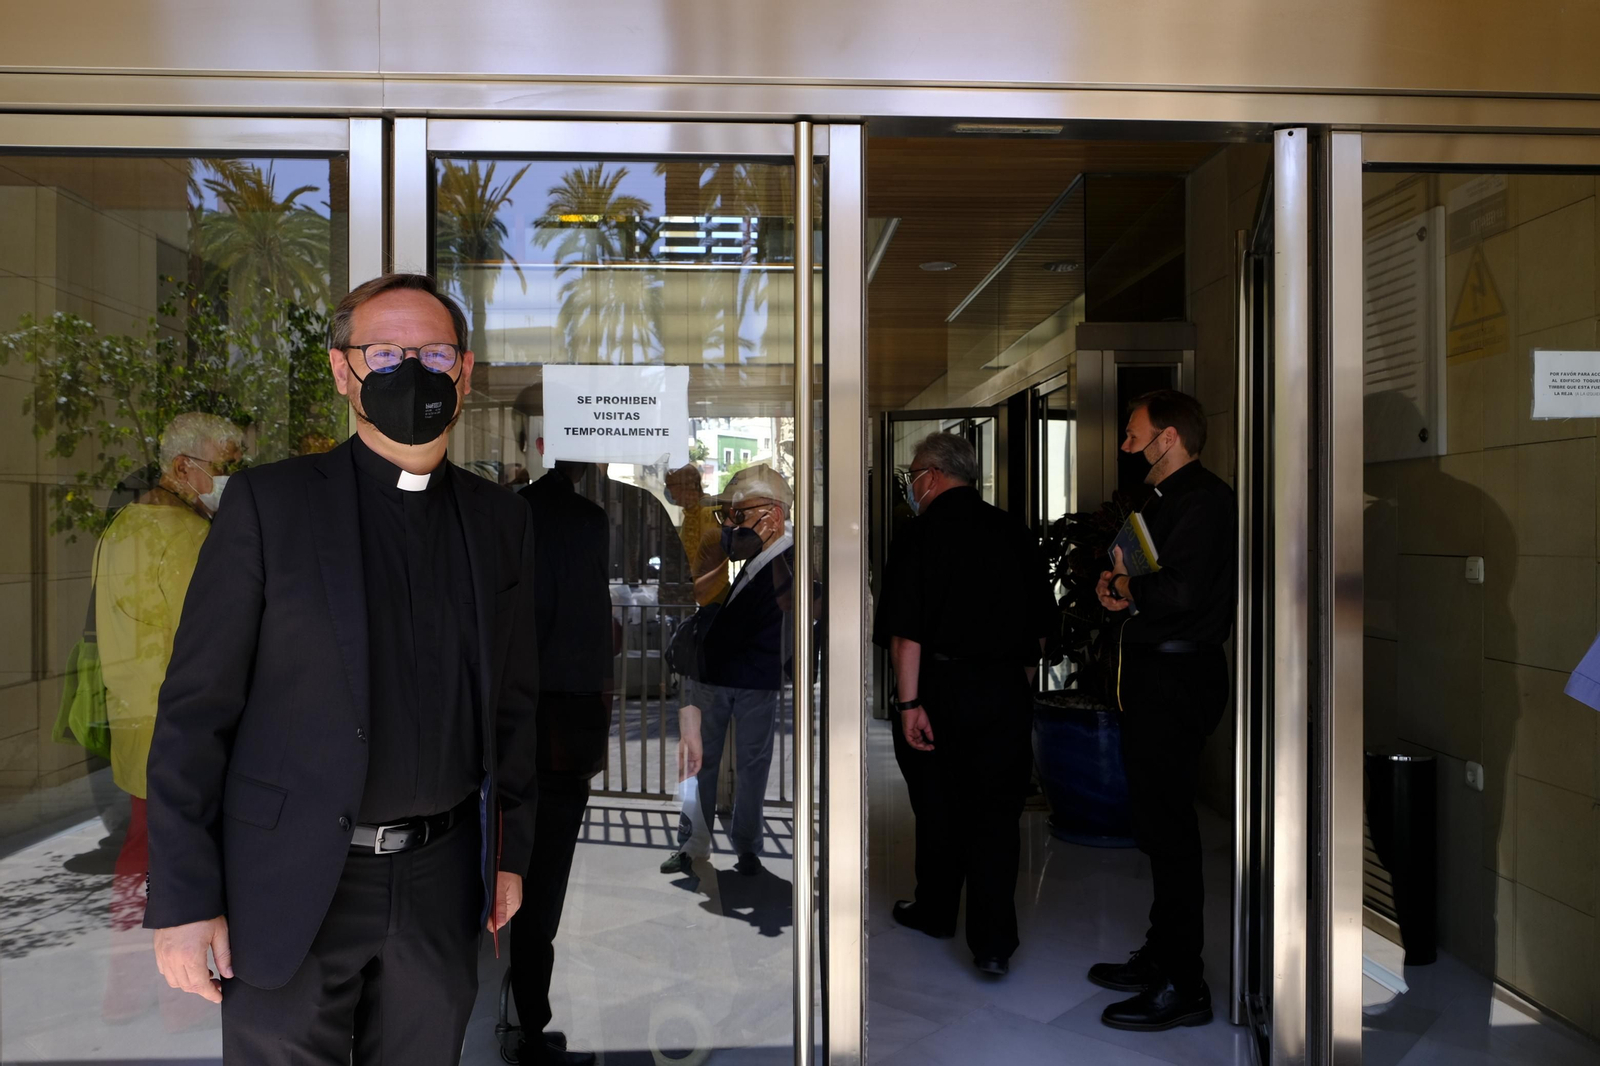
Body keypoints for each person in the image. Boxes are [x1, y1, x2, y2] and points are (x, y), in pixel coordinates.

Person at [143, 273, 540, 1065]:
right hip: (289, 883)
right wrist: (185, 901)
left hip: (442, 878)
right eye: (385, 353)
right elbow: (195, 712)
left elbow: (514, 702)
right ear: (342, 370)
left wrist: (509, 854)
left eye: (432, 353)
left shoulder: (499, 518)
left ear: (462, 371)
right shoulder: (268, 507)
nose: (412, 373)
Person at [872, 432, 1055, 978]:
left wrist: (908, 705)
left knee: (938, 808)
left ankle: (935, 911)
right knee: (997, 817)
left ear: (930, 475)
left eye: (912, 475)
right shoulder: (1014, 532)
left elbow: (906, 634)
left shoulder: (920, 534)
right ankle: (994, 944)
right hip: (1004, 693)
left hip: (940, 693)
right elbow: (1042, 634)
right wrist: (1012, 688)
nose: (911, 485)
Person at [1090, 389, 1236, 1032]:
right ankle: (1162, 956)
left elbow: (1180, 588)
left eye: (1134, 435)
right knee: (1156, 826)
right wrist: (1115, 587)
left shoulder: (1204, 500)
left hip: (1179, 679)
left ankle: (1185, 983)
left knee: (1171, 833)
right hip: (1154, 677)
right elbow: (1149, 584)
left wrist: (1125, 586)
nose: (1128, 447)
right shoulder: (1163, 500)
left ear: (1169, 437)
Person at [96, 411, 244, 1022]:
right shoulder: (188, 539)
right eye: (228, 465)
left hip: (135, 723)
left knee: (138, 859)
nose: (236, 477)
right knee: (185, 863)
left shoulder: (124, 524)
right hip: (185, 735)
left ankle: (124, 993)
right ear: (184, 469)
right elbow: (221, 644)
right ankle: (181, 999)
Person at [506, 443, 613, 1066]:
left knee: (514, 866)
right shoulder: (588, 522)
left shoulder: (515, 512)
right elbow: (590, 627)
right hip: (562, 718)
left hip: (511, 715)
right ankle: (530, 1025)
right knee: (544, 881)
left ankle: (519, 1013)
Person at [659, 463, 796, 878]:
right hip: (725, 679)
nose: (732, 525)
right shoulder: (757, 558)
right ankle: (701, 843)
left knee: (749, 768)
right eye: (729, 516)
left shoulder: (784, 563)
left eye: (739, 514)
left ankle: (744, 845)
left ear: (772, 514)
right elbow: (704, 592)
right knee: (705, 765)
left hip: (748, 679)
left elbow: (737, 619)